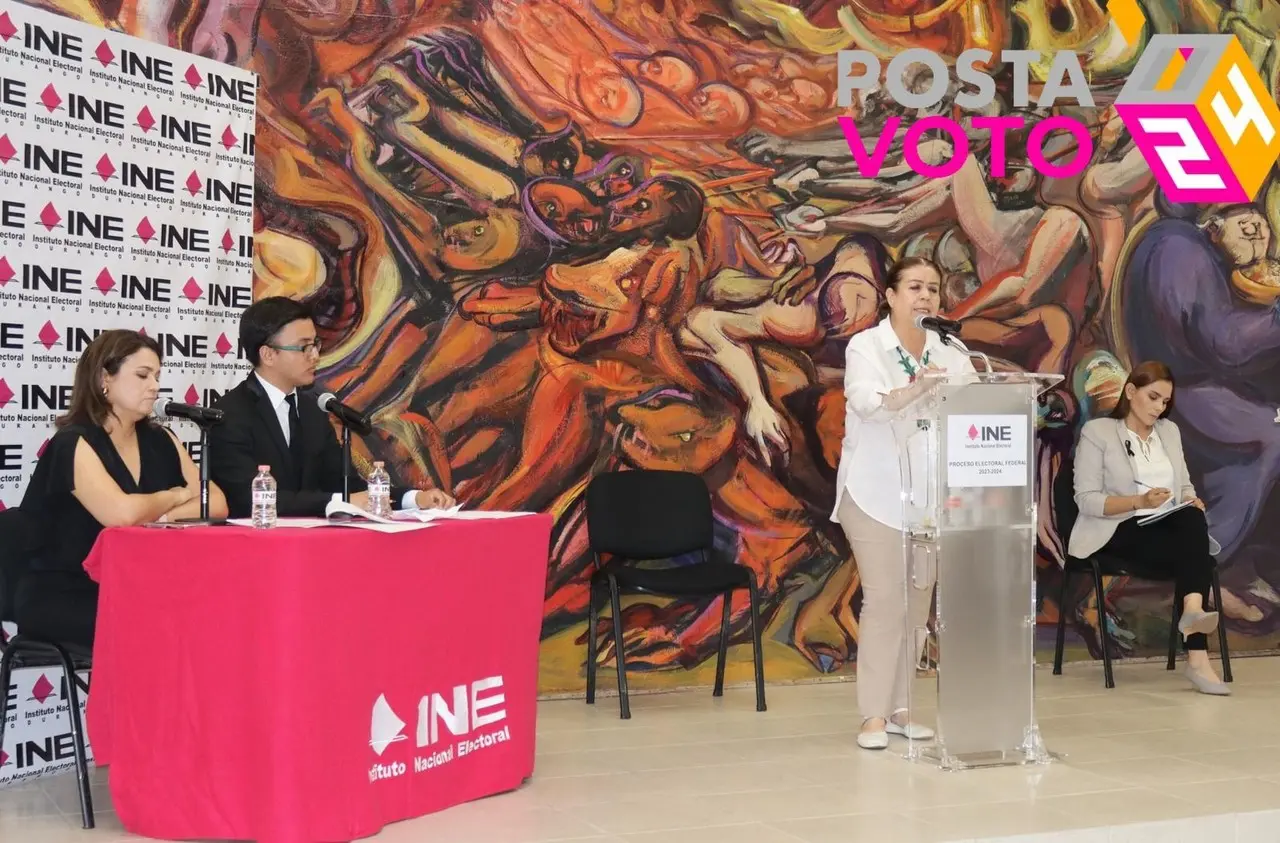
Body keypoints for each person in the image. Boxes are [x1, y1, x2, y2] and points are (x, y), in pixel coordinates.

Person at [832, 257, 976, 750]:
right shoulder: (867, 346)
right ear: (890, 296)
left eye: (933, 289)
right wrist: (917, 388)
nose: (925, 297)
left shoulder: (951, 351)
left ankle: (901, 707)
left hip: (930, 499)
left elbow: (976, 409)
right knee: (885, 600)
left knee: (917, 605)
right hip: (873, 494)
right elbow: (867, 403)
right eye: (914, 287)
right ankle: (872, 714)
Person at [14, 330, 228, 646]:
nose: (155, 386)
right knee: (163, 626)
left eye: (157, 375)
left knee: (214, 613)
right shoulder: (73, 443)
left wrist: (157, 515)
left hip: (135, 584)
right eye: (142, 375)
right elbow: (122, 515)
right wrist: (178, 495)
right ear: (105, 378)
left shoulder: (162, 440)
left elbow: (217, 503)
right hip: (67, 591)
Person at [209, 297, 456, 518]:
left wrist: (413, 498)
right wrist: (338, 501)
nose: (315, 355)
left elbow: (347, 486)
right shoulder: (230, 415)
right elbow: (246, 498)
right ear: (268, 354)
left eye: (316, 344)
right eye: (304, 347)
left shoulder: (313, 411)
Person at [1069, 360, 1229, 695]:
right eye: (1153, 397)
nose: (1159, 407)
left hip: (1165, 530)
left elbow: (1184, 486)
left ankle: (1192, 615)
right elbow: (1087, 500)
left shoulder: (1169, 432)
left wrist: (1190, 499)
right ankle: (1196, 652)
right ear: (1130, 391)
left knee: (1190, 517)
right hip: (1115, 531)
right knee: (1195, 552)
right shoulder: (1097, 433)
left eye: (1165, 402)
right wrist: (1138, 502)